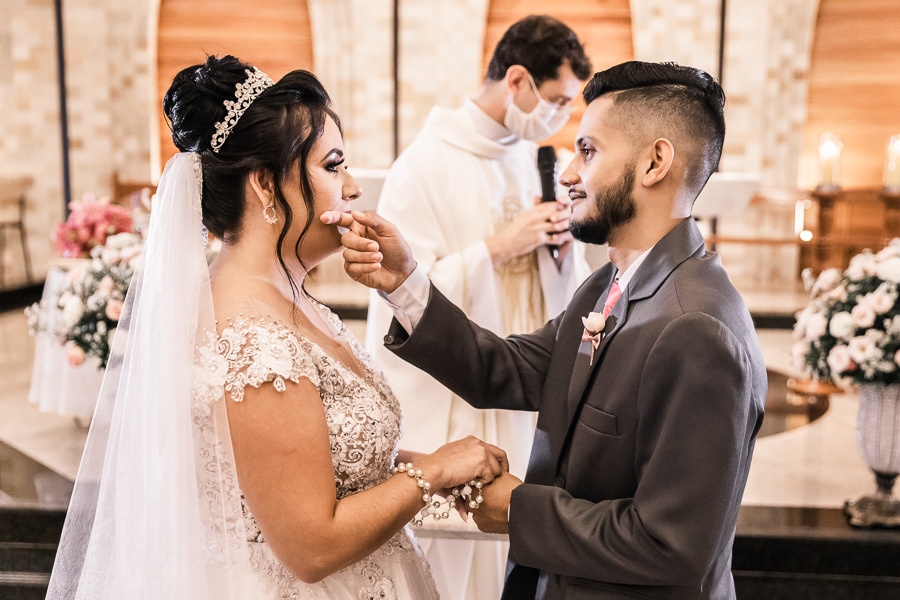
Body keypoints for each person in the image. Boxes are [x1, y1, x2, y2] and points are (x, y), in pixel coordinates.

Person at [46, 55, 510, 600]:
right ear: (266, 185)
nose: (353, 187)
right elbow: (312, 546)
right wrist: (431, 472)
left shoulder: (289, 300)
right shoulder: (250, 339)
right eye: (334, 166)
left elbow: (317, 462)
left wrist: (436, 470)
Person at [328, 61, 767, 600]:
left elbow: (671, 547)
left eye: (588, 151)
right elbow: (504, 369)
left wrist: (518, 510)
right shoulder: (609, 282)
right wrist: (405, 282)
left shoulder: (698, 331)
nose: (567, 175)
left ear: (656, 162)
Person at [365, 15, 592, 599]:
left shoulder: (530, 156)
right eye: (557, 100)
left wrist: (557, 252)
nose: (561, 118)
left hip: (515, 373)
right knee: (451, 557)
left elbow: (558, 283)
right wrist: (496, 248)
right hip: (455, 383)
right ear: (517, 80)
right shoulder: (424, 164)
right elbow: (399, 289)